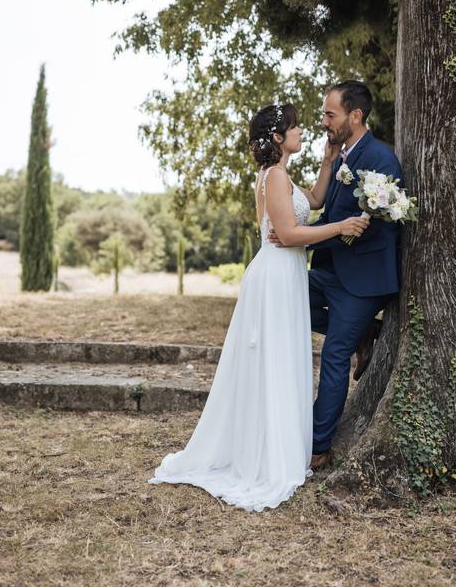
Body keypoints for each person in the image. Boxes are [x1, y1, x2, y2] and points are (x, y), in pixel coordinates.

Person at [148, 103, 369, 511]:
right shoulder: (275, 176)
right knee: (274, 360)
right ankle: (269, 455)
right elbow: (287, 232)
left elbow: (316, 200)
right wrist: (340, 228)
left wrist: (327, 162)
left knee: (281, 358)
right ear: (278, 138)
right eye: (296, 128)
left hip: (284, 274)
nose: (303, 132)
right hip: (275, 275)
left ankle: (279, 444)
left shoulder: (281, 176)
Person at [270, 81, 403, 471]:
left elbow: (373, 226)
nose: (324, 121)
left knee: (333, 356)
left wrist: (301, 239)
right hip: (330, 270)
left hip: (362, 282)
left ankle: (317, 446)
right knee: (287, 299)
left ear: (355, 116)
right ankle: (364, 333)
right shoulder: (341, 156)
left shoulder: (381, 159)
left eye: (330, 115)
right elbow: (330, 216)